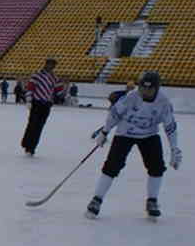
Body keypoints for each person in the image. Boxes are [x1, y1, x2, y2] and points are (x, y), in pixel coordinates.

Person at [85, 71, 181, 220]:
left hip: (149, 135)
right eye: (143, 88)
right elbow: (114, 115)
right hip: (124, 133)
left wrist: (174, 148)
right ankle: (96, 199)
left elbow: (170, 126)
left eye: (150, 89)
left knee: (156, 167)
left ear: (157, 88)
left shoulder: (164, 102)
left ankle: (152, 201)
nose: (146, 92)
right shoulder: (130, 97)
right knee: (112, 166)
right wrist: (104, 132)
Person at [20, 58, 62, 156]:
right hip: (36, 103)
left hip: (46, 104)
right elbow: (30, 88)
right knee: (32, 124)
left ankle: (32, 147)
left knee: (39, 126)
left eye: (53, 65)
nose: (51, 67)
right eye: (50, 64)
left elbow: (59, 92)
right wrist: (29, 100)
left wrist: (66, 86)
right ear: (46, 64)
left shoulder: (55, 78)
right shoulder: (36, 75)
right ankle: (27, 144)